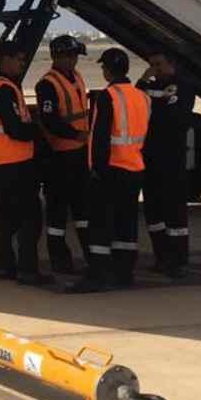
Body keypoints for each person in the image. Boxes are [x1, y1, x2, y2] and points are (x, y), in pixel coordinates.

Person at [66, 48, 149, 294]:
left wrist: (97, 169)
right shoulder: (142, 97)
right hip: (135, 167)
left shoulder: (108, 96)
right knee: (126, 222)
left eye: (103, 67)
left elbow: (100, 137)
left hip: (112, 169)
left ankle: (97, 273)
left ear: (108, 71)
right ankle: (124, 271)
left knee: (100, 223)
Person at [0, 41, 53, 285]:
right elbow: (14, 128)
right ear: (6, 59)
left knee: (7, 217)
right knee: (30, 217)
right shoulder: (4, 89)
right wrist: (38, 132)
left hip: (0, 161)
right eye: (19, 59)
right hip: (15, 162)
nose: (23, 64)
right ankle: (27, 269)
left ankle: (7, 266)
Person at [138, 52, 195, 278]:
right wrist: (144, 79)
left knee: (174, 212)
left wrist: (154, 109)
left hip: (171, 159)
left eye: (159, 64)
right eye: (151, 65)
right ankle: (161, 256)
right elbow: (136, 101)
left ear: (172, 64)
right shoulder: (151, 86)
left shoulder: (183, 86)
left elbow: (173, 116)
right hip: (150, 157)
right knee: (153, 211)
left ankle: (178, 260)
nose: (155, 69)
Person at [35, 35, 90, 274]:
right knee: (57, 212)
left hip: (79, 153)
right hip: (59, 156)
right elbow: (49, 120)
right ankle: (59, 259)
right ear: (58, 57)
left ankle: (90, 253)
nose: (74, 60)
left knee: (82, 209)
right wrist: (75, 134)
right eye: (71, 56)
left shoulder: (76, 77)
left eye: (75, 56)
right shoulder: (47, 84)